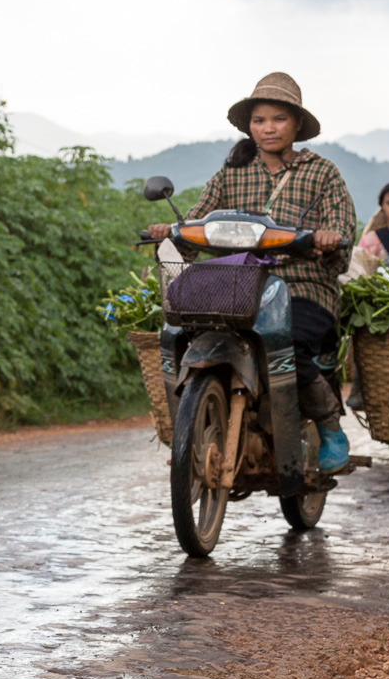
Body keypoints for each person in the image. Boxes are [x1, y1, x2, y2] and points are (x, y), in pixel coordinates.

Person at [145, 72, 359, 472]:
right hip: (235, 284)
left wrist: (330, 236)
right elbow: (197, 219)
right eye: (260, 120)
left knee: (291, 343)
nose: (268, 128)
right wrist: (171, 231)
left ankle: (330, 426)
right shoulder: (232, 172)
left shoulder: (322, 173)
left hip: (302, 284)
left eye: (278, 119)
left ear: (296, 124)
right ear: (249, 126)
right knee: (182, 329)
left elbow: (343, 226)